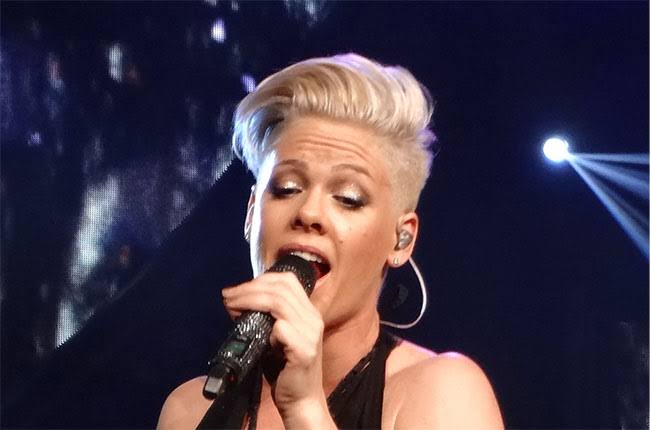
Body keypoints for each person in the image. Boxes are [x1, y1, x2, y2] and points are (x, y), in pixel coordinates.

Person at [157, 53, 503, 429]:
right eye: (287, 188)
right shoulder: (188, 410)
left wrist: (305, 408)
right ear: (252, 214)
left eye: (348, 198)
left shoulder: (443, 391)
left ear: (401, 239)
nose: (309, 212)